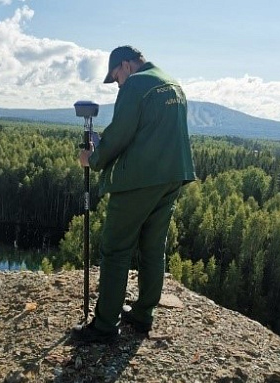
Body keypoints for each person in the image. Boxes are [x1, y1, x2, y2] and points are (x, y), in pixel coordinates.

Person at [72, 45, 196, 343]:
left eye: (116, 77)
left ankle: (104, 326)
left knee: (115, 249)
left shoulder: (137, 84)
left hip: (139, 180)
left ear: (126, 65)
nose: (118, 83)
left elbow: (122, 132)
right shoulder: (172, 83)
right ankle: (143, 315)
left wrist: (94, 159)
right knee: (153, 247)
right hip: (173, 177)